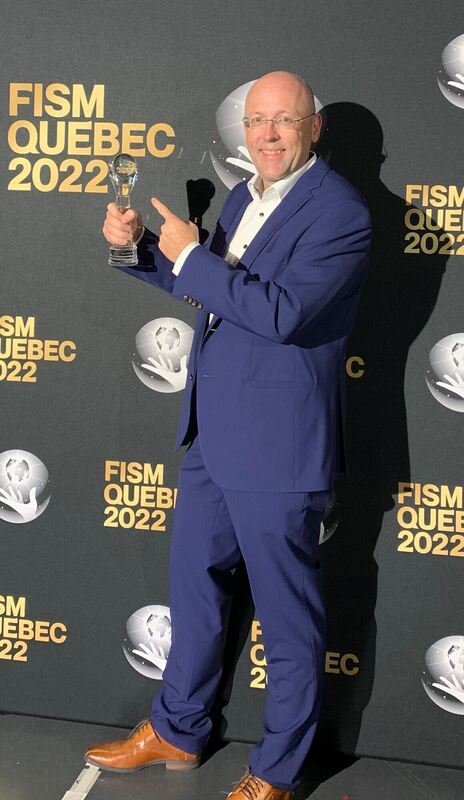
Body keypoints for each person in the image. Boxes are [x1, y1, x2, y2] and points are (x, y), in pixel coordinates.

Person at [85, 71, 372, 800]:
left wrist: (191, 256)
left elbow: (280, 313)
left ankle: (277, 772)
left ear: (314, 128)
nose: (268, 135)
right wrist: (141, 249)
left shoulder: (339, 211)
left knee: (287, 618)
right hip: (213, 434)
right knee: (194, 591)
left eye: (284, 121)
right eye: (256, 122)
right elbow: (211, 290)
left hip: (279, 444)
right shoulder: (244, 197)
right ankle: (178, 728)